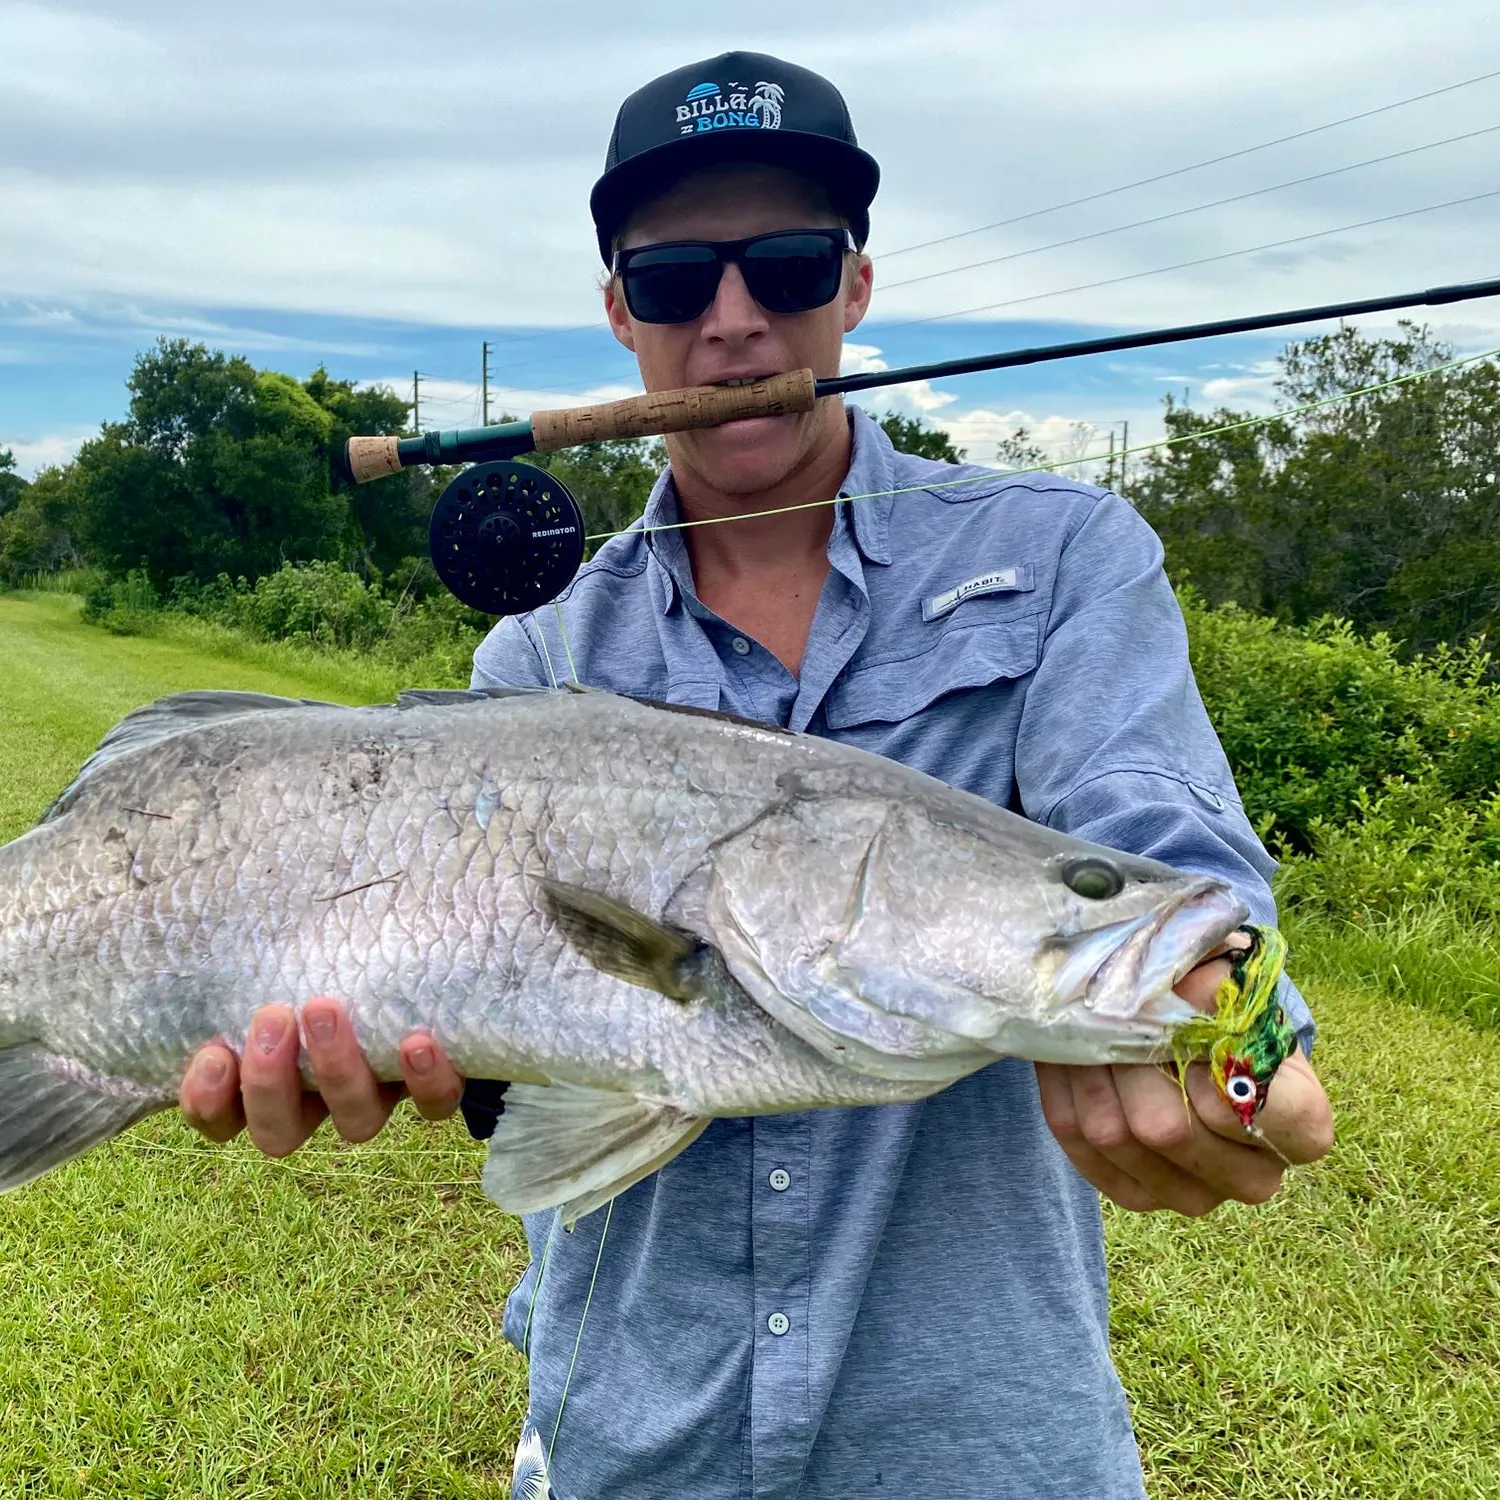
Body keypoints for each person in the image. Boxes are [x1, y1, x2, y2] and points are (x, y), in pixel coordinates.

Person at [181, 51, 1334, 1500]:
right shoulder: (539, 657)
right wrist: (427, 1064)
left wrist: (1240, 1025)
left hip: (984, 1446)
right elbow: (525, 1058)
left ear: (853, 285)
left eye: (787, 266)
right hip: (632, 1437)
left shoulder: (1062, 557)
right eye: (672, 286)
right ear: (620, 315)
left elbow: (1179, 861)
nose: (733, 321)